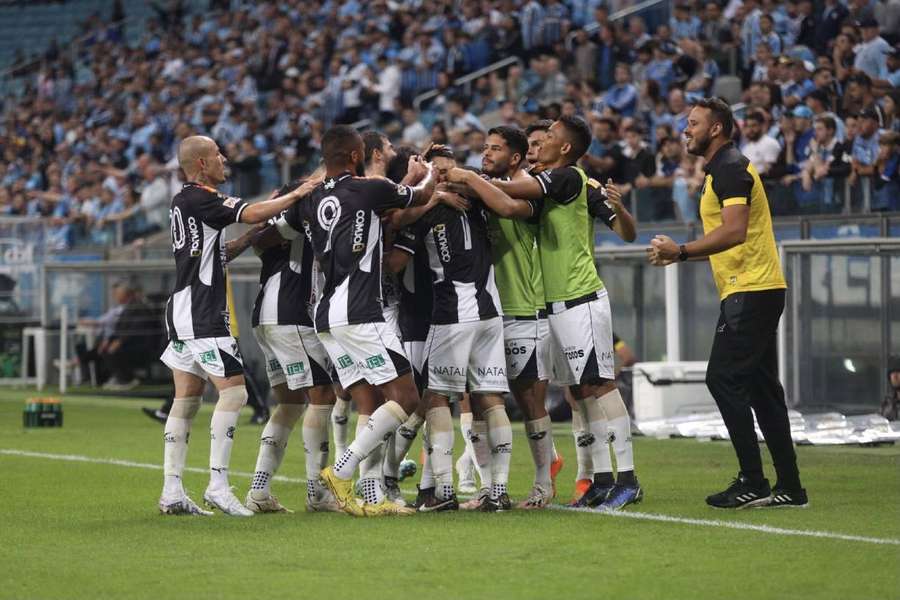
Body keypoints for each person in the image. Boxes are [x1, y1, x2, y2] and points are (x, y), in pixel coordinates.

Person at [448, 115, 643, 511]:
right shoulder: (552, 189)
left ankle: (628, 478)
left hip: (581, 296)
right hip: (555, 302)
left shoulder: (568, 177)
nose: (541, 145)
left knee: (600, 385)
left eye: (548, 138)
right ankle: (601, 480)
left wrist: (466, 176)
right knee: (582, 391)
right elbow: (508, 202)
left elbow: (508, 196)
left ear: (565, 147)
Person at [647, 98, 807, 509]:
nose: (686, 130)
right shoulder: (723, 168)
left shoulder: (731, 168)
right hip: (753, 288)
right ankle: (790, 487)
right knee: (762, 389)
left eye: (693, 123)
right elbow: (729, 235)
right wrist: (680, 254)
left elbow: (735, 231)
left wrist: (681, 251)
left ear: (716, 129)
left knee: (722, 378)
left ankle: (753, 480)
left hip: (751, 289)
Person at [276, 125, 435, 517]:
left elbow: (282, 226)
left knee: (369, 399)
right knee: (407, 397)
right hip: (360, 311)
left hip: (326, 315)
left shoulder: (312, 197)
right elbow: (422, 195)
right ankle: (342, 472)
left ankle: (372, 494)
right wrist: (427, 173)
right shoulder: (367, 188)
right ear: (354, 156)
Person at [157, 135, 314, 517]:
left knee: (187, 399)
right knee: (235, 395)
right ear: (200, 165)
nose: (224, 159)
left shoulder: (185, 200)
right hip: (202, 309)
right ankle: (218, 485)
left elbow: (224, 244)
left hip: (182, 305)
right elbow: (257, 212)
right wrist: (298, 194)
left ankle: (172, 491)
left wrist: (243, 241)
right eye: (216, 155)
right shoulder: (202, 198)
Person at [241, 175, 343, 514]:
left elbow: (260, 238)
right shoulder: (298, 218)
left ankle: (259, 489)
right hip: (291, 313)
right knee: (322, 396)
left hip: (265, 317)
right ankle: (317, 492)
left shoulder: (269, 227)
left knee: (289, 404)